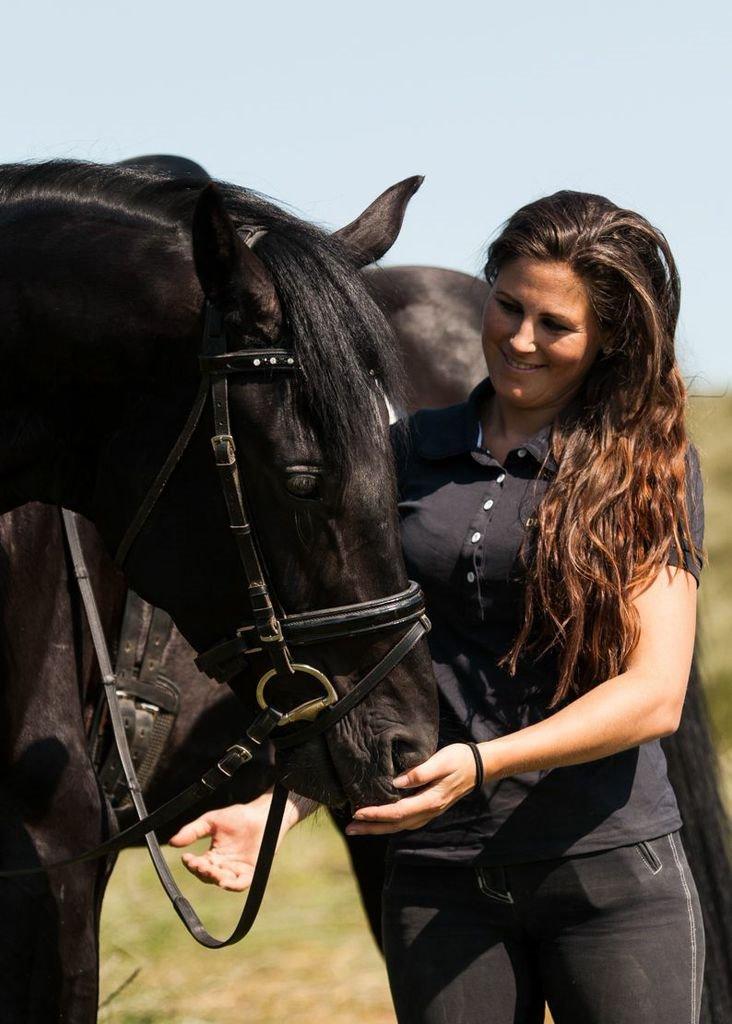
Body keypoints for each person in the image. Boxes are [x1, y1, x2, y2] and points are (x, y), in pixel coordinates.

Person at [169, 191, 706, 1024]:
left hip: (608, 873)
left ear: (607, 341)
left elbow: (656, 693)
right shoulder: (403, 456)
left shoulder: (641, 469)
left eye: (555, 326)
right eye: (509, 305)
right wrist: (281, 812)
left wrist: (484, 763)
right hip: (437, 883)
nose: (520, 340)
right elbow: (389, 670)